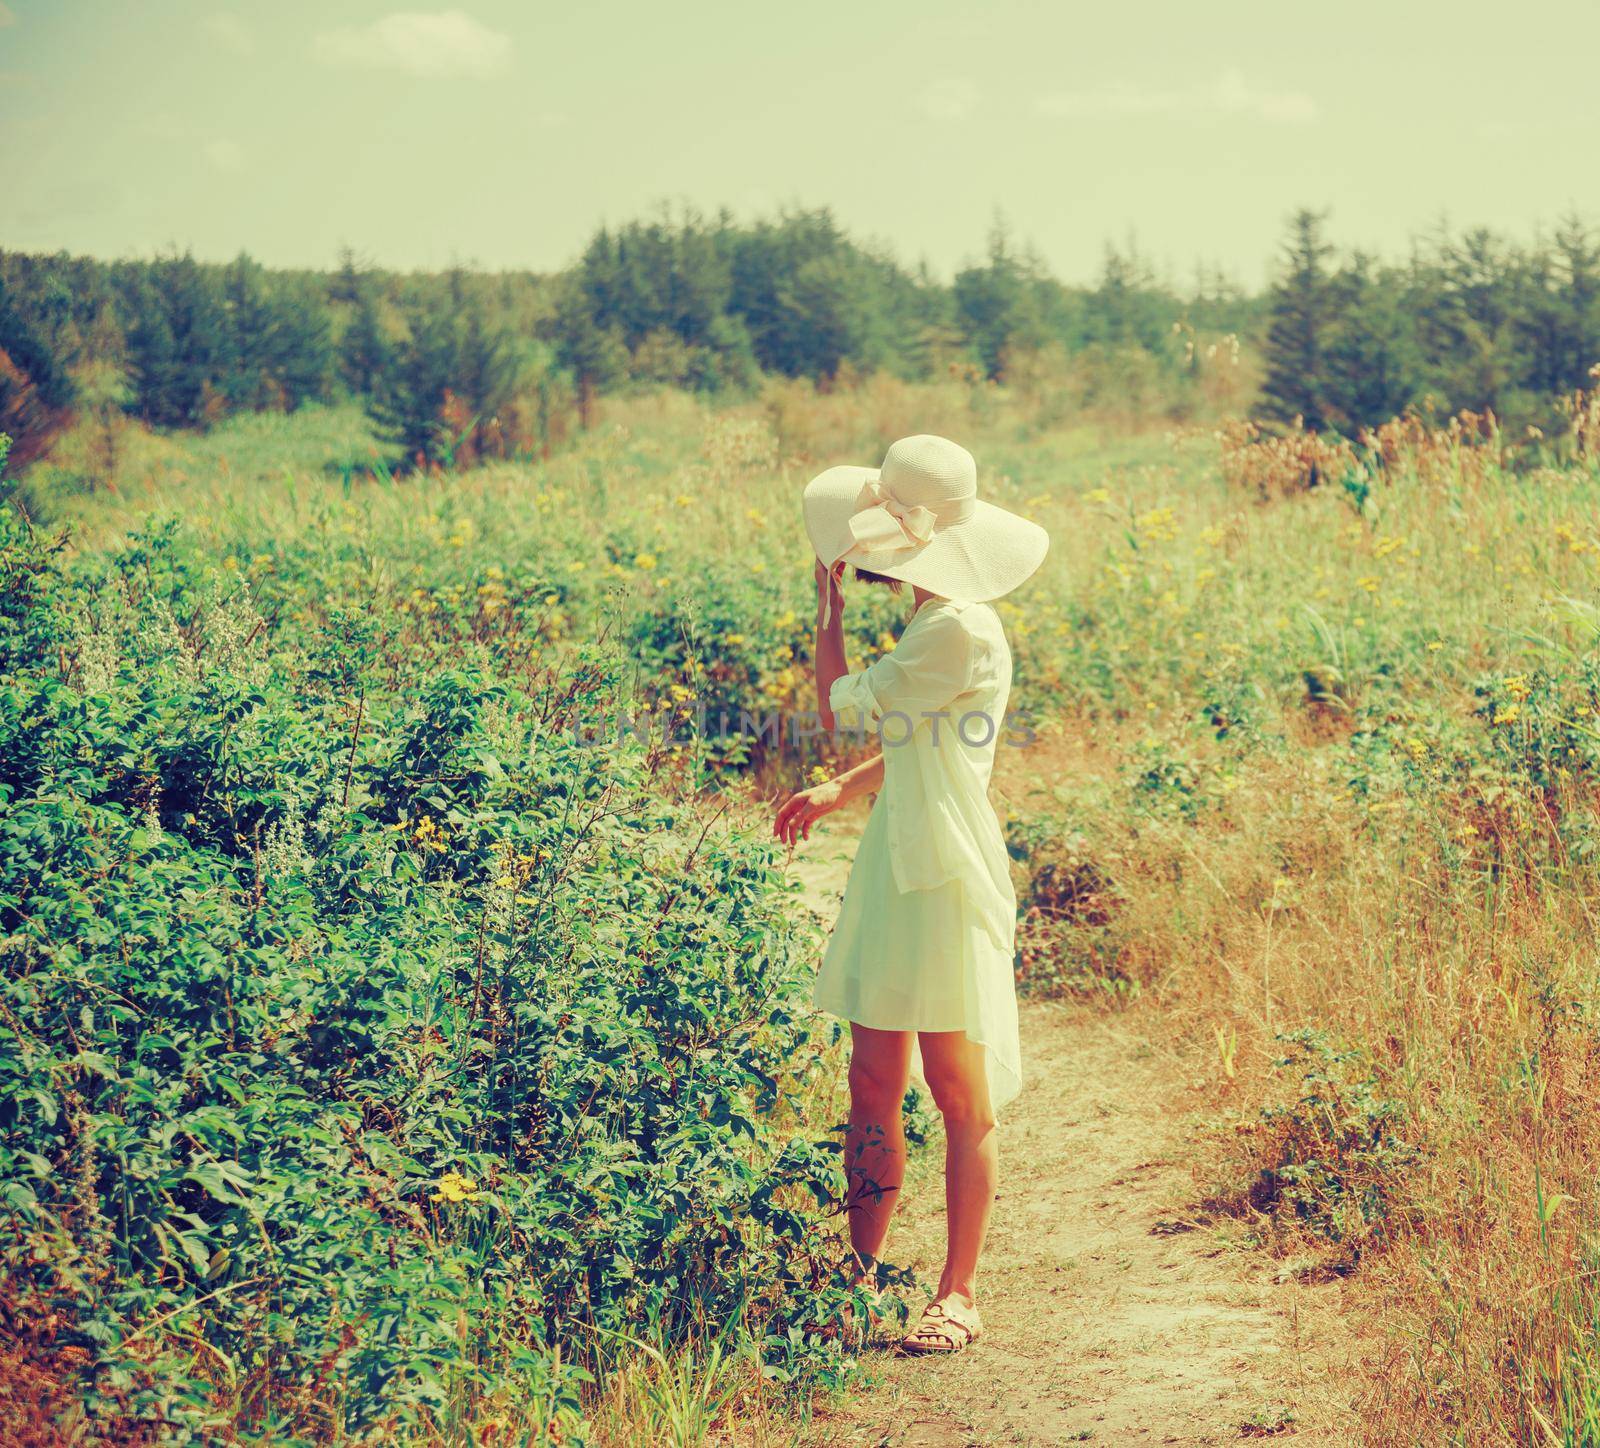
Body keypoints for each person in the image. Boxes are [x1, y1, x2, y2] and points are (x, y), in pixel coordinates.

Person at [774, 434, 1048, 1356]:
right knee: (872, 1080)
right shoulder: (940, 619)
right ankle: (858, 1276)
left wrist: (825, 605)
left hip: (944, 872)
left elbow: (835, 703)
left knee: (957, 1089)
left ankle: (958, 1292)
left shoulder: (958, 627)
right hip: (899, 861)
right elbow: (928, 740)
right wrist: (842, 791)